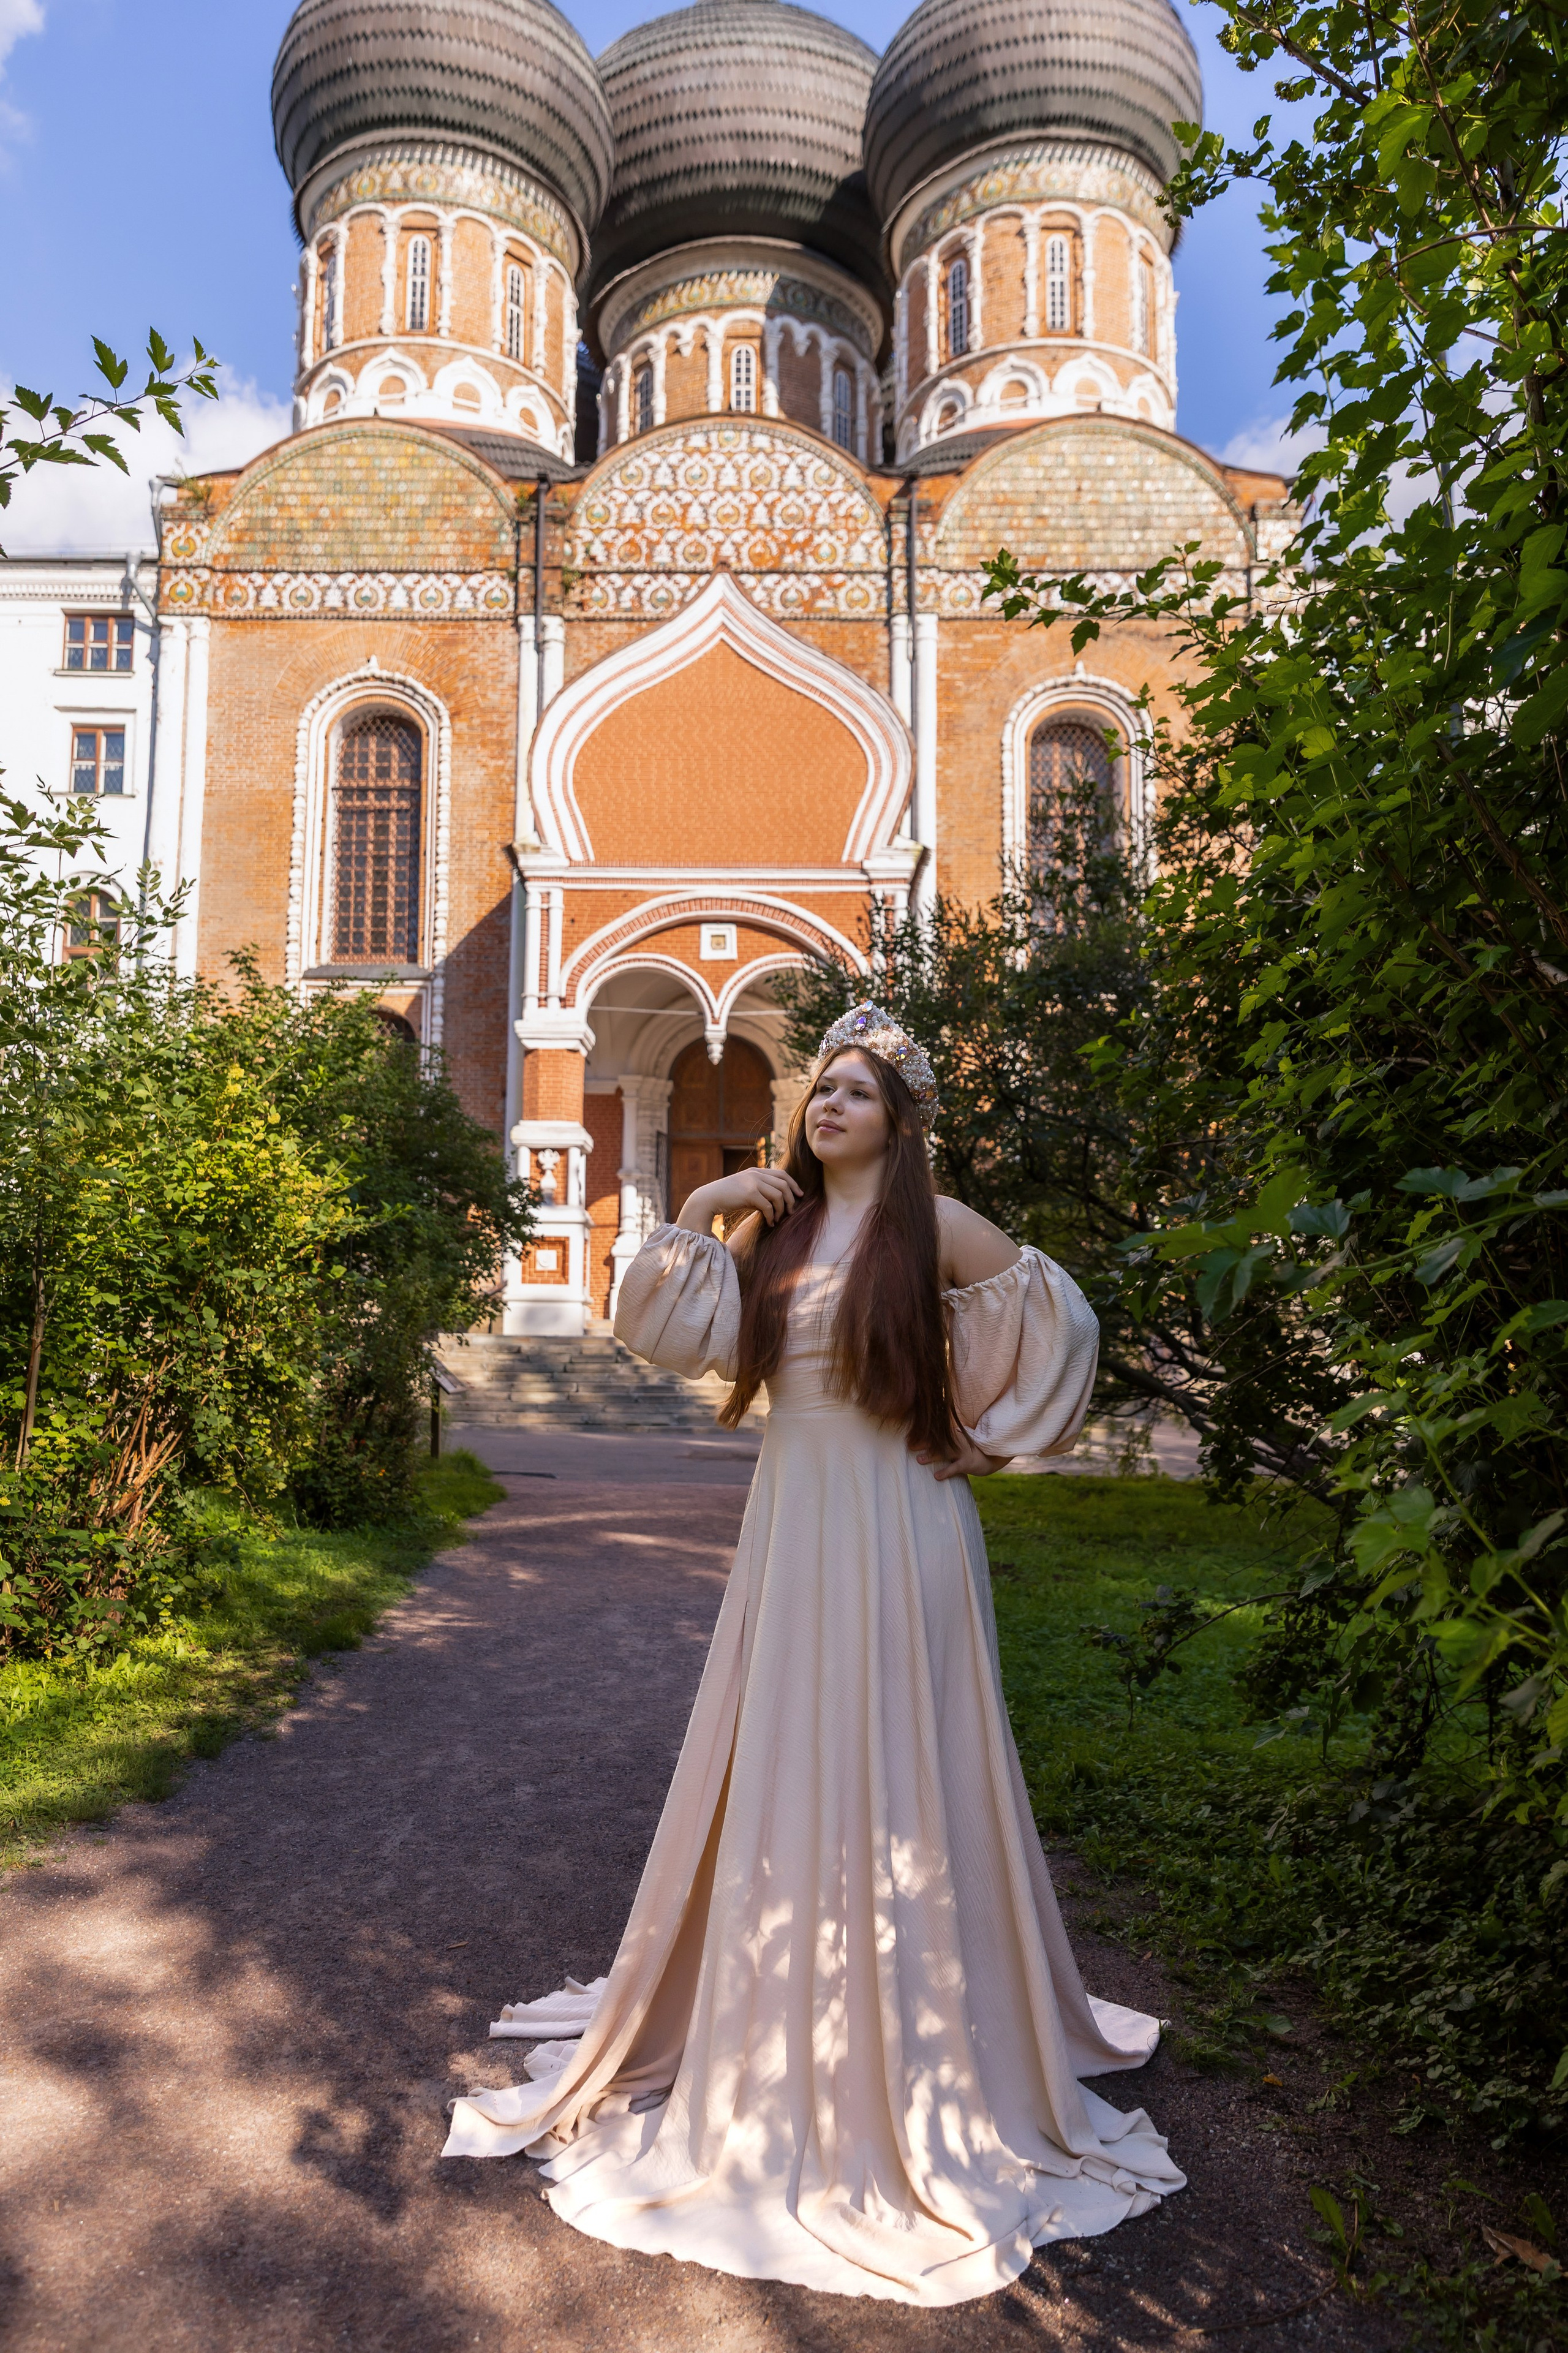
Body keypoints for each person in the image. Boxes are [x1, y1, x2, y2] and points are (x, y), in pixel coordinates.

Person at [443, 1002, 1183, 2305]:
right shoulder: (773, 1225)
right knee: (785, 1750)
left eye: (853, 1090)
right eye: (820, 1087)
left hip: (904, 1526)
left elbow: (1053, 1324)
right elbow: (676, 1335)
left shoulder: (937, 1230)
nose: (826, 1104)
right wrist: (717, 1197)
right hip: (795, 1527)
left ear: (897, 1120)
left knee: (908, 1755)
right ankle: (778, 2002)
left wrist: (979, 1431)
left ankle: (922, 2035)